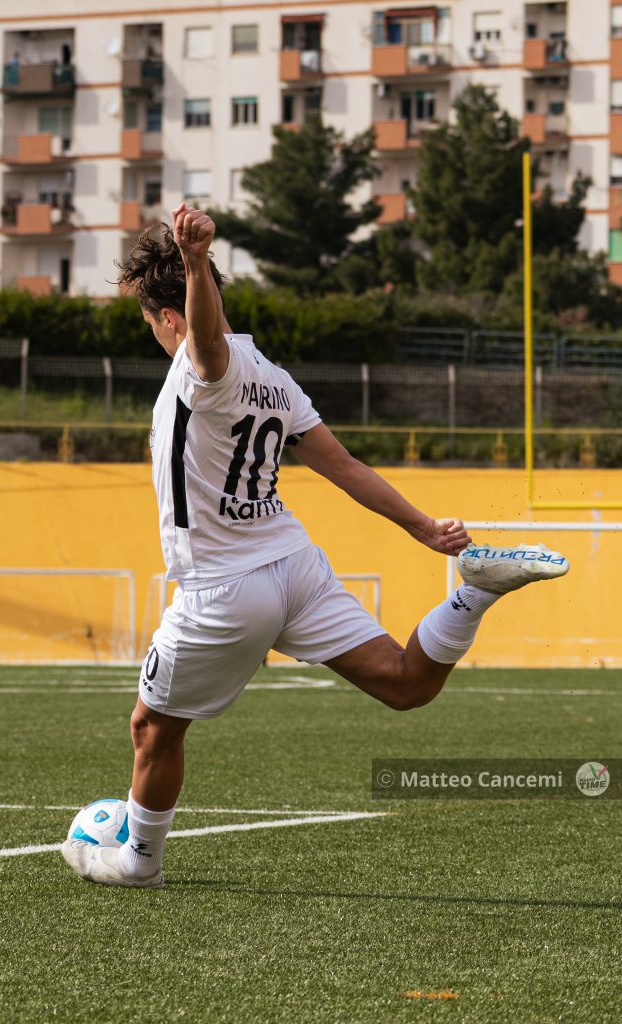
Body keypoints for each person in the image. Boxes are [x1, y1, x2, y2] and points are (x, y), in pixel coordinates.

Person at [62, 204, 569, 889]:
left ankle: (138, 862)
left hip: (224, 585)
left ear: (170, 317)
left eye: (153, 322)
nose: (158, 335)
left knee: (152, 727)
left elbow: (206, 348)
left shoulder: (202, 362)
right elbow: (344, 466)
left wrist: (194, 261)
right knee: (404, 684)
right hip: (294, 564)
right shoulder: (273, 375)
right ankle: (473, 594)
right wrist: (425, 529)